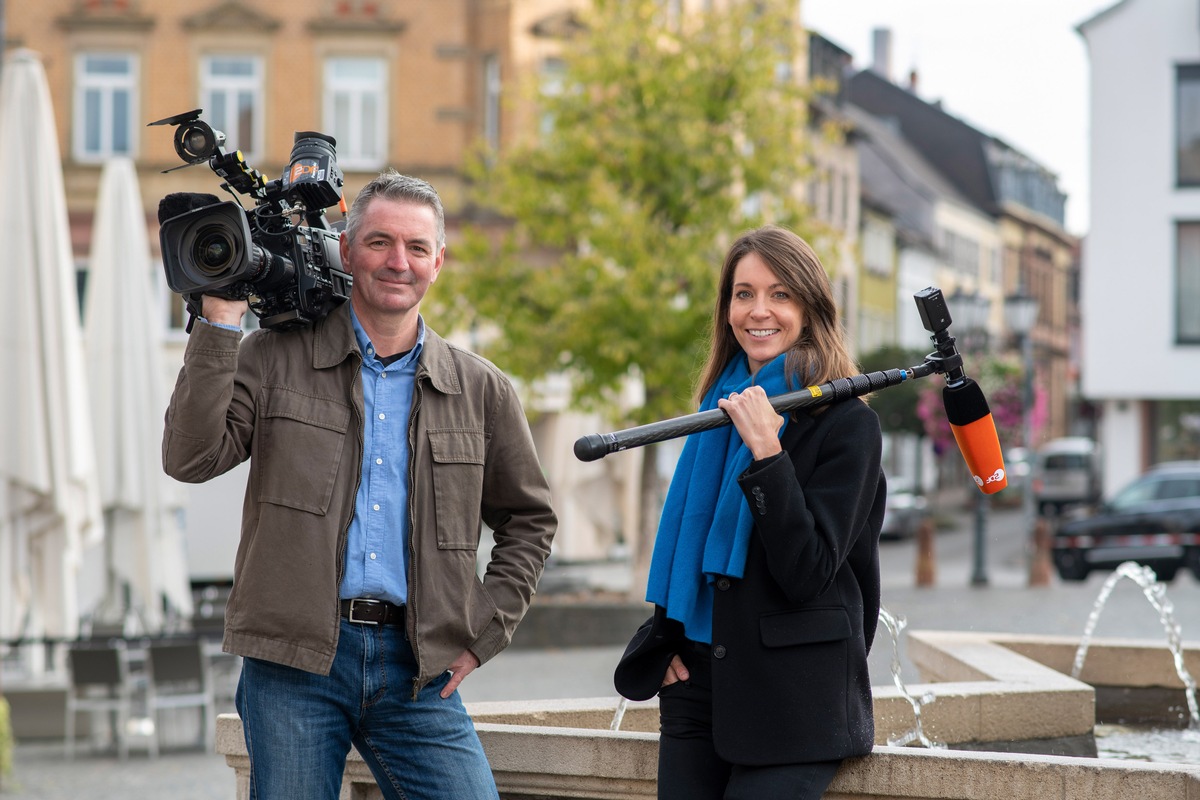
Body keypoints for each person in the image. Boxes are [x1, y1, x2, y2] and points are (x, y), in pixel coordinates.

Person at [163, 171, 557, 800]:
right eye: (379, 243)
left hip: (417, 669)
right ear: (346, 250)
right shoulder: (269, 356)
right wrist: (218, 324)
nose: (398, 262)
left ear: (438, 262)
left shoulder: (481, 389)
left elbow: (529, 522)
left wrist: (486, 631)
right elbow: (191, 458)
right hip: (291, 663)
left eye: (417, 248)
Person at [614, 225, 886, 800]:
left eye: (780, 294)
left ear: (811, 309)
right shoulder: (716, 414)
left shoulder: (846, 422)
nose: (759, 311)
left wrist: (769, 453)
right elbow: (689, 553)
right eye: (744, 293)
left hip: (795, 702)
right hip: (696, 690)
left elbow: (808, 570)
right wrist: (664, 643)